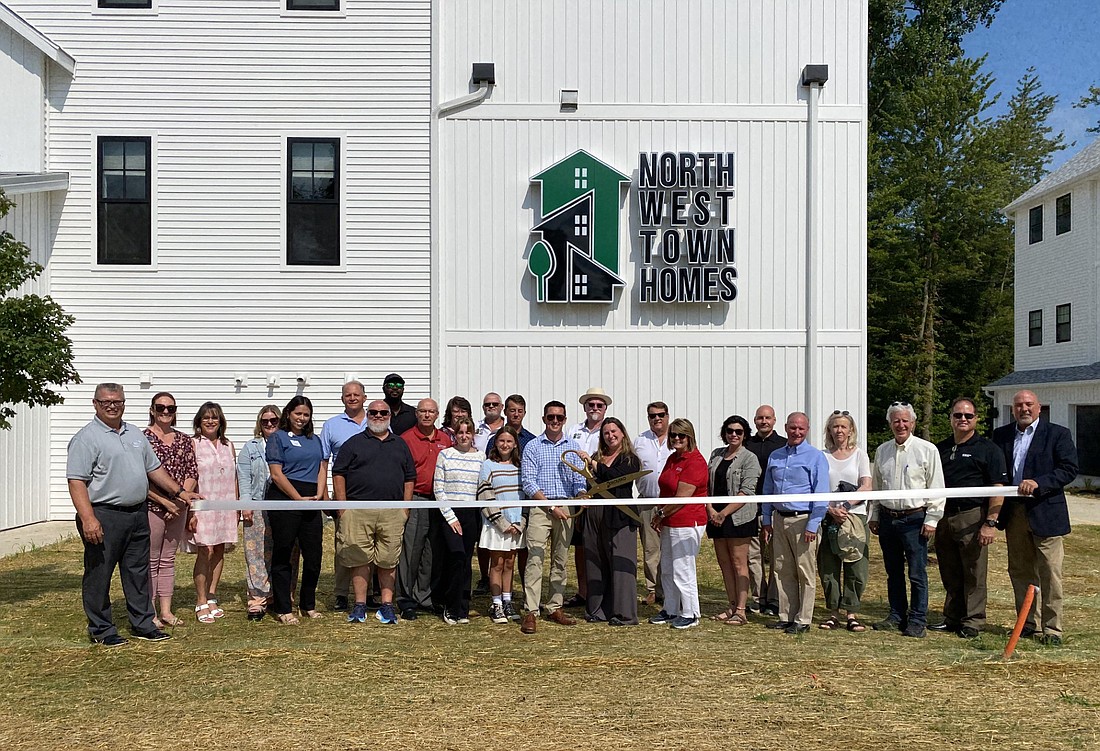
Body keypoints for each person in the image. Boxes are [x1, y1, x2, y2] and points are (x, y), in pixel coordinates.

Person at [67, 382, 201, 645]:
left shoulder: (135, 435)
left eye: (117, 401)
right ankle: (102, 630)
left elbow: (154, 470)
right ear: (95, 404)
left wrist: (179, 493)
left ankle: (142, 624)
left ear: (124, 403)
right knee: (99, 574)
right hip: (104, 515)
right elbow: (76, 481)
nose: (112, 406)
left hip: (137, 514)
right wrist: (88, 518)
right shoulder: (86, 438)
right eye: (106, 402)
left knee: (138, 572)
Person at [992, 389, 1079, 646]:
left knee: (1050, 572)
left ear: (1040, 408)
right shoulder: (1002, 435)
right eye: (1019, 405)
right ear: (1013, 409)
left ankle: (1052, 629)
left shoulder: (1057, 434)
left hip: (1046, 511)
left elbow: (1069, 469)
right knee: (1020, 571)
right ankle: (1026, 624)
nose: (1024, 409)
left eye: (1029, 404)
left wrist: (1039, 483)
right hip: (1014, 512)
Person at [332, 400, 416, 626]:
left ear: (390, 415)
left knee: (388, 559)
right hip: (357, 511)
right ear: (367, 414)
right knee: (360, 558)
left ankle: (386, 606)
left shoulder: (400, 444)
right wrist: (343, 507)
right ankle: (359, 605)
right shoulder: (354, 443)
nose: (378, 415)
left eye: (383, 412)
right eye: (374, 412)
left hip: (392, 512)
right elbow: (338, 473)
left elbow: (410, 477)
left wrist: (405, 509)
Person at [869, 401, 946, 638]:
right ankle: (896, 615)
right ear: (890, 424)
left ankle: (917, 620)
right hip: (888, 519)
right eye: (896, 421)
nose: (900, 425)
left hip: (915, 519)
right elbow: (877, 486)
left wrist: (932, 518)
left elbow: (936, 486)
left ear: (912, 423)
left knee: (916, 573)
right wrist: (874, 514)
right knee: (893, 571)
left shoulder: (927, 450)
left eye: (905, 421)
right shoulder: (882, 451)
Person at [932, 398, 1007, 638]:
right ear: (950, 418)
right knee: (949, 570)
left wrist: (990, 523)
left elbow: (998, 489)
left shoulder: (988, 449)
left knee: (974, 572)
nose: (963, 419)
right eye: (958, 415)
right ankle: (952, 617)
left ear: (976, 419)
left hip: (972, 516)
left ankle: (973, 621)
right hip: (944, 516)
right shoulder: (939, 449)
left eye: (968, 416)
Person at [519, 400, 587, 634]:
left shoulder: (573, 446)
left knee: (560, 558)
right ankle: (531, 611)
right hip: (541, 507)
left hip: (567, 507)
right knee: (535, 558)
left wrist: (581, 494)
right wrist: (550, 507)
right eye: (551, 417)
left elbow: (579, 479)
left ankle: (555, 606)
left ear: (565, 420)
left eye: (559, 417)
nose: (555, 421)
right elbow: (528, 482)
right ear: (544, 419)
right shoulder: (533, 446)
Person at [760, 412, 830, 634]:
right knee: (781, 569)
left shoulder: (815, 457)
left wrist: (813, 524)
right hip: (779, 520)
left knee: (804, 571)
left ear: (807, 429)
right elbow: (768, 490)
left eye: (801, 429)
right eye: (792, 428)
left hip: (803, 520)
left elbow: (821, 493)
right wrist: (767, 519)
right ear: (786, 428)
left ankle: (803, 619)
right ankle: (786, 615)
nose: (796, 432)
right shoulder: (776, 456)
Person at [265, 395, 327, 625]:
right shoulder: (277, 438)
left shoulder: (315, 439)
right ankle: (283, 607)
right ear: (288, 414)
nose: (302, 418)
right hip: (286, 497)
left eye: (306, 415)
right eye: (298, 413)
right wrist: (297, 498)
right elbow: (276, 474)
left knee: (314, 555)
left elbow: (322, 467)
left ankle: (307, 604)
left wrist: (320, 494)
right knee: (284, 553)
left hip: (311, 497)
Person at [142, 391, 198, 629]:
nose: (165, 412)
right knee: (150, 559)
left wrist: (179, 501)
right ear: (152, 409)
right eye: (161, 407)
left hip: (179, 507)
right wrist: (165, 502)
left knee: (167, 560)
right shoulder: (141, 438)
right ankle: (149, 611)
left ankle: (166, 610)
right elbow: (140, 476)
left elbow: (192, 472)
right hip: (151, 506)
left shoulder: (184, 440)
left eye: (170, 408)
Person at [648, 418, 708, 630]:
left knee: (683, 568)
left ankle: (690, 612)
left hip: (686, 521)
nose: (676, 439)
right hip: (669, 521)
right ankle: (671, 608)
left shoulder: (695, 461)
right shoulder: (673, 458)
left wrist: (660, 514)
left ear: (689, 437)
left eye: (681, 435)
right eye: (673, 435)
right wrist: (662, 515)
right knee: (667, 568)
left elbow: (682, 497)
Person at [582, 417, 643, 626]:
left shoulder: (630, 459)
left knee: (621, 563)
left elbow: (613, 476)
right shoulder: (596, 457)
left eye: (614, 431)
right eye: (606, 433)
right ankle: (598, 610)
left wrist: (592, 464)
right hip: (595, 514)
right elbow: (589, 484)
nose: (610, 436)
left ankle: (625, 614)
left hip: (620, 515)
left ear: (622, 434)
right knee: (595, 561)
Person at [397, 398, 451, 620]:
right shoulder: (406, 439)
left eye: (431, 411)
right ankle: (405, 598)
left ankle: (424, 596)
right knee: (411, 550)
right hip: (416, 498)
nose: (427, 415)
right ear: (416, 414)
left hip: (438, 501)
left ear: (437, 415)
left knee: (431, 551)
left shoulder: (445, 440)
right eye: (423, 411)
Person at [185, 402, 240, 624]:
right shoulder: (193, 444)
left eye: (214, 417)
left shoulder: (229, 445)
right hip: (203, 505)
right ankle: (200, 599)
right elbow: (190, 477)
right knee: (204, 550)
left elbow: (234, 478)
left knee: (219, 549)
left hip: (225, 505)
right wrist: (190, 511)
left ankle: (212, 595)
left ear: (221, 421)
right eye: (206, 417)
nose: (210, 421)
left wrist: (235, 506)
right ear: (199, 421)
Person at [818, 410, 872, 632]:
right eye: (835, 426)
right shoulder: (822, 455)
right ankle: (832, 612)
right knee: (829, 567)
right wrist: (830, 509)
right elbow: (817, 487)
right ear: (829, 430)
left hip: (855, 518)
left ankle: (852, 612)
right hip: (829, 517)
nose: (839, 430)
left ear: (851, 430)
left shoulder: (860, 455)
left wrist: (846, 506)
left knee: (856, 567)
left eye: (843, 426)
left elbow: (866, 485)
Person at [705, 415, 761, 626]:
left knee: (739, 563)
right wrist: (711, 509)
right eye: (730, 431)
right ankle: (731, 605)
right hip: (715, 516)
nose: (734, 435)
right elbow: (707, 486)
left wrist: (723, 513)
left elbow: (747, 491)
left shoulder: (749, 458)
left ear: (745, 434)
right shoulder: (716, 455)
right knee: (724, 563)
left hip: (738, 517)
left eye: (738, 431)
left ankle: (741, 610)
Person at [237, 404, 291, 621]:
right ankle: (257, 598)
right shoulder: (250, 448)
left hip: (285, 506)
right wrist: (246, 505)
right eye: (265, 421)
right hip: (259, 505)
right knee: (257, 553)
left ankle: (282, 595)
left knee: (286, 553)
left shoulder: (289, 444)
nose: (269, 424)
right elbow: (244, 480)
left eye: (274, 420)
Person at [319, 381, 369, 611]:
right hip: (344, 494)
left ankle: (370, 593)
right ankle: (341, 593)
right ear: (342, 399)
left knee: (373, 544)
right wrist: (326, 495)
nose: (352, 398)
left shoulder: (378, 419)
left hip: (373, 494)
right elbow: (323, 461)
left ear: (364, 397)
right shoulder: (332, 425)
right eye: (347, 395)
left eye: (356, 395)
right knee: (344, 544)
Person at [433, 417, 486, 624]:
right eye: (460, 432)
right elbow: (439, 488)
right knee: (454, 557)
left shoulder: (480, 457)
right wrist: (450, 517)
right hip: (450, 513)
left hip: (471, 513)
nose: (464, 436)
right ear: (454, 434)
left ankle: (463, 607)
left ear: (473, 435)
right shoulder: (445, 455)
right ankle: (450, 605)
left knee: (465, 561)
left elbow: (483, 487)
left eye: (468, 432)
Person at [564, 387, 611, 607]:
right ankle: (583, 592)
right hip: (578, 492)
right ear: (585, 407)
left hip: (601, 491)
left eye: (599, 405)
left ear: (605, 408)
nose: (595, 409)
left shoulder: (610, 430)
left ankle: (602, 591)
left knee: (602, 544)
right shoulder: (574, 430)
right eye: (591, 405)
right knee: (580, 545)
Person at [478, 425, 527, 624]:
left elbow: (526, 495)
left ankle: (507, 600)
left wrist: (520, 523)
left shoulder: (521, 466)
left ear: (515, 444)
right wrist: (500, 522)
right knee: (496, 564)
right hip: (497, 524)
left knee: (509, 563)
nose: (505, 445)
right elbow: (484, 494)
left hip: (516, 524)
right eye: (501, 441)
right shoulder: (488, 465)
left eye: (509, 441)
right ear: (495, 443)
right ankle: (496, 603)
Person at [745, 404, 785, 615]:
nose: (764, 421)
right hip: (751, 508)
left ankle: (774, 600)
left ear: (774, 420)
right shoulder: (747, 445)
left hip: (775, 509)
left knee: (777, 556)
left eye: (768, 418)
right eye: (760, 418)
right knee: (753, 557)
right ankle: (758, 598)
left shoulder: (783, 446)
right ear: (755, 421)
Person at [633, 400, 672, 607]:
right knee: (650, 549)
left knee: (671, 546)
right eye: (652, 415)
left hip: (672, 503)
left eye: (661, 415)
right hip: (647, 502)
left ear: (667, 416)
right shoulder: (640, 441)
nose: (657, 418)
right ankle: (653, 589)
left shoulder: (677, 438)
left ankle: (671, 588)